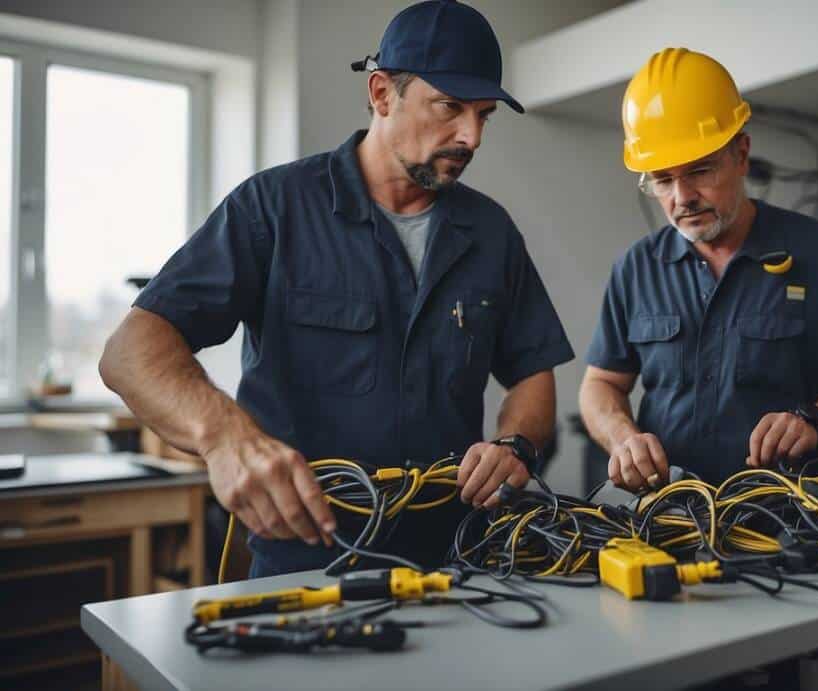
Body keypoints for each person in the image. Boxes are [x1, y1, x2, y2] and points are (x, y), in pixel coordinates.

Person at [100, 0, 574, 577]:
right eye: (450, 107)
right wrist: (225, 438)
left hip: (455, 562)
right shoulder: (274, 209)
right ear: (381, 95)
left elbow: (532, 371)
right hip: (304, 561)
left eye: (483, 116)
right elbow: (130, 352)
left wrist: (514, 445)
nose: (470, 136)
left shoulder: (491, 232)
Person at [579, 48, 818, 491]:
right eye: (662, 179)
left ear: (742, 154)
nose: (682, 196)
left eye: (700, 170)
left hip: (796, 513)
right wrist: (622, 437)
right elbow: (600, 385)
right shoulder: (636, 268)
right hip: (670, 513)